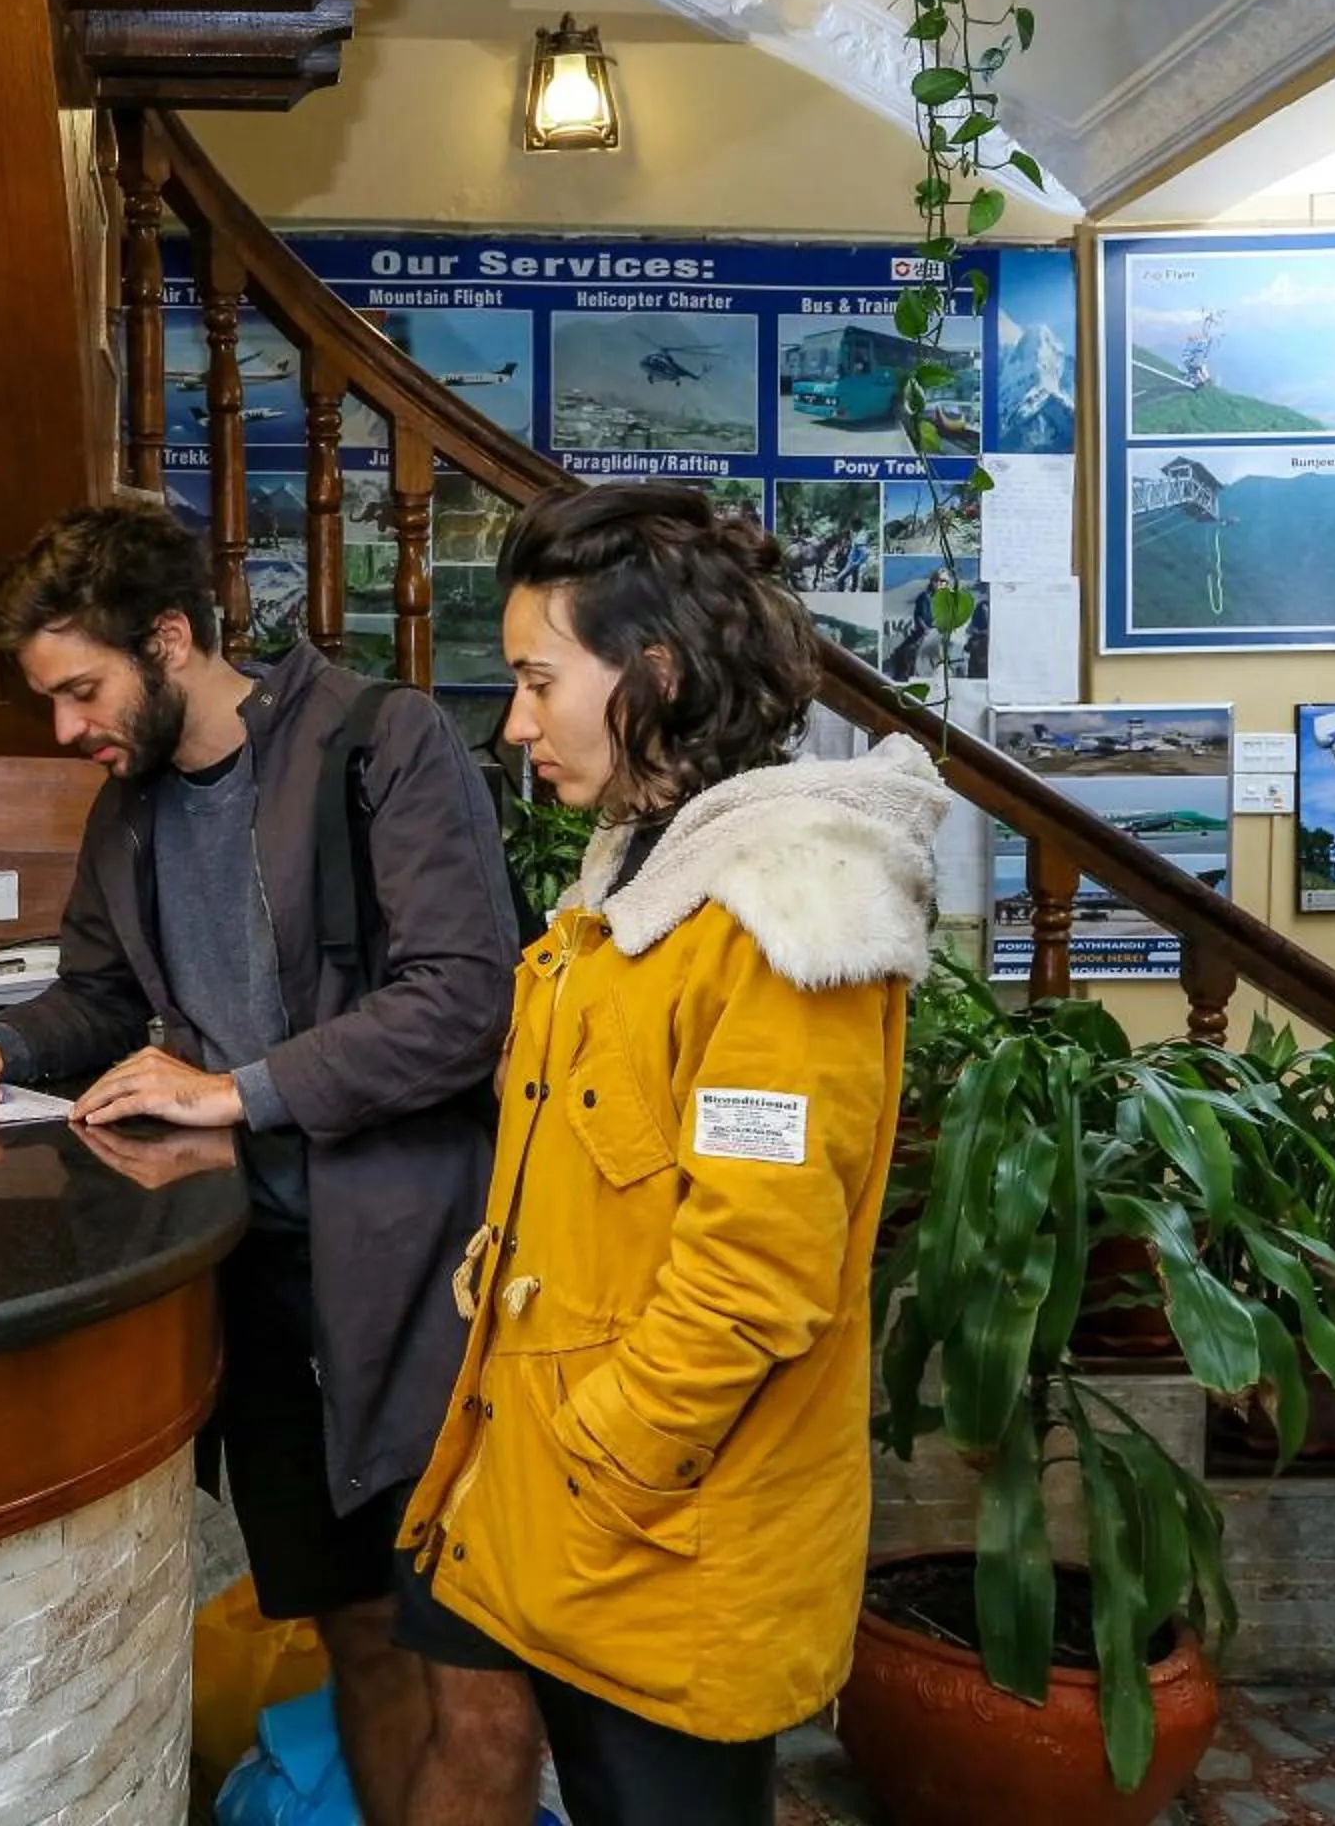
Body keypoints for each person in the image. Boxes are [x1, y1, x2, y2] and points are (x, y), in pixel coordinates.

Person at [0, 504, 537, 1826]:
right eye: (51, 701)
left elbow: (462, 1000)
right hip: (252, 1279)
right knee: (355, 1629)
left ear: (175, 638)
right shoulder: (127, 811)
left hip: (419, 1278)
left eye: (82, 690)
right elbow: (91, 998)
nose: (67, 730)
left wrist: (234, 1090)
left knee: (477, 1669)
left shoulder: (384, 739)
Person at [395, 481, 949, 1826]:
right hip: (531, 1476)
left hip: (656, 1531)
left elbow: (752, 1273)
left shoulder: (782, 908)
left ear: (653, 673)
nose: (515, 721)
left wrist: (604, 1463)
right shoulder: (644, 872)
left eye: (537, 680)